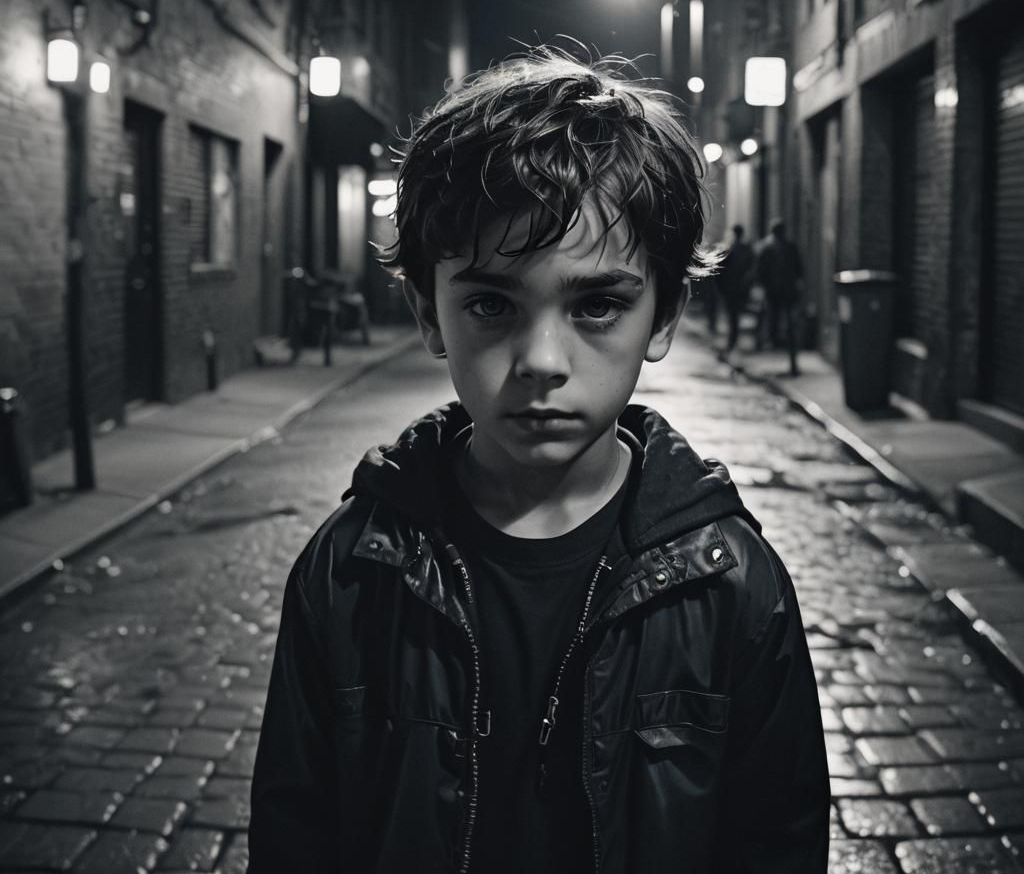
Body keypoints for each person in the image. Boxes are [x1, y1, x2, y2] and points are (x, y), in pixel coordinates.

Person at [248, 49, 829, 873]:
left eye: (598, 305)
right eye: (492, 303)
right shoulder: (350, 572)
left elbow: (777, 842)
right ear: (429, 313)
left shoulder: (733, 586)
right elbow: (294, 834)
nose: (542, 361)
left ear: (665, 315)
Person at [756, 218, 804, 376]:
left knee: (772, 320)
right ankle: (792, 362)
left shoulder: (766, 248)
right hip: (788, 292)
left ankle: (772, 343)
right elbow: (799, 270)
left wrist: (764, 285)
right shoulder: (791, 247)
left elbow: (760, 271)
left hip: (774, 292)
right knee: (789, 325)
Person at [716, 223, 755, 353]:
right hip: (741, 288)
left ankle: (732, 341)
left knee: (732, 316)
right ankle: (733, 341)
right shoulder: (746, 249)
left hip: (730, 288)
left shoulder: (729, 248)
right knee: (735, 315)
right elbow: (752, 268)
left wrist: (721, 287)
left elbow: (720, 270)